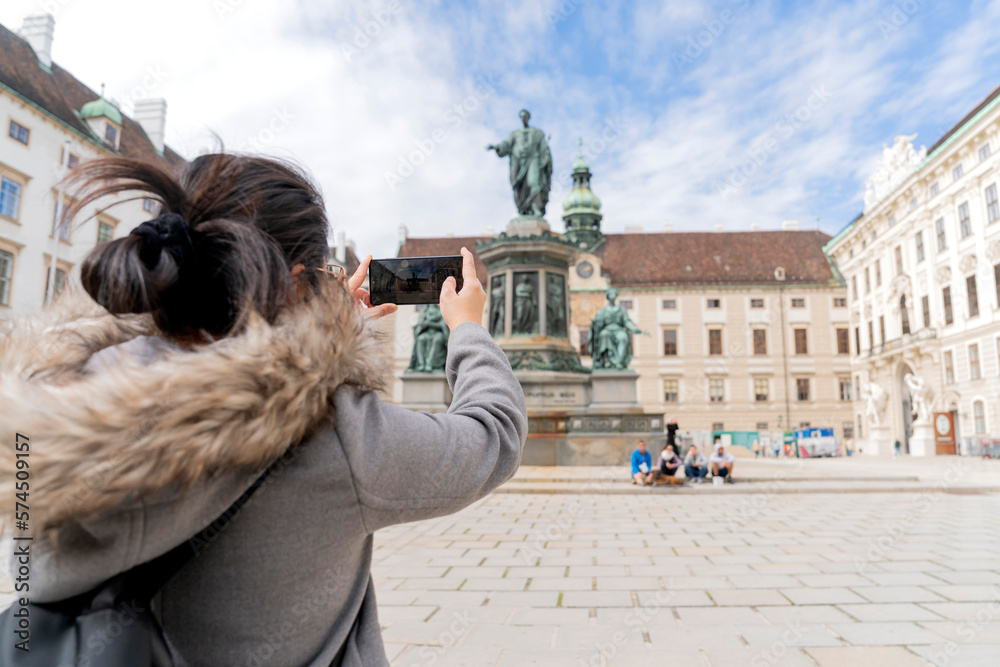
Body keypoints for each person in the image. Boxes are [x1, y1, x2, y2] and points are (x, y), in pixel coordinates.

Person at [0, 154, 528, 666]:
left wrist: (317, 329)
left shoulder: (53, 402)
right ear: (298, 282)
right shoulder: (340, 435)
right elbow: (492, 437)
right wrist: (468, 327)